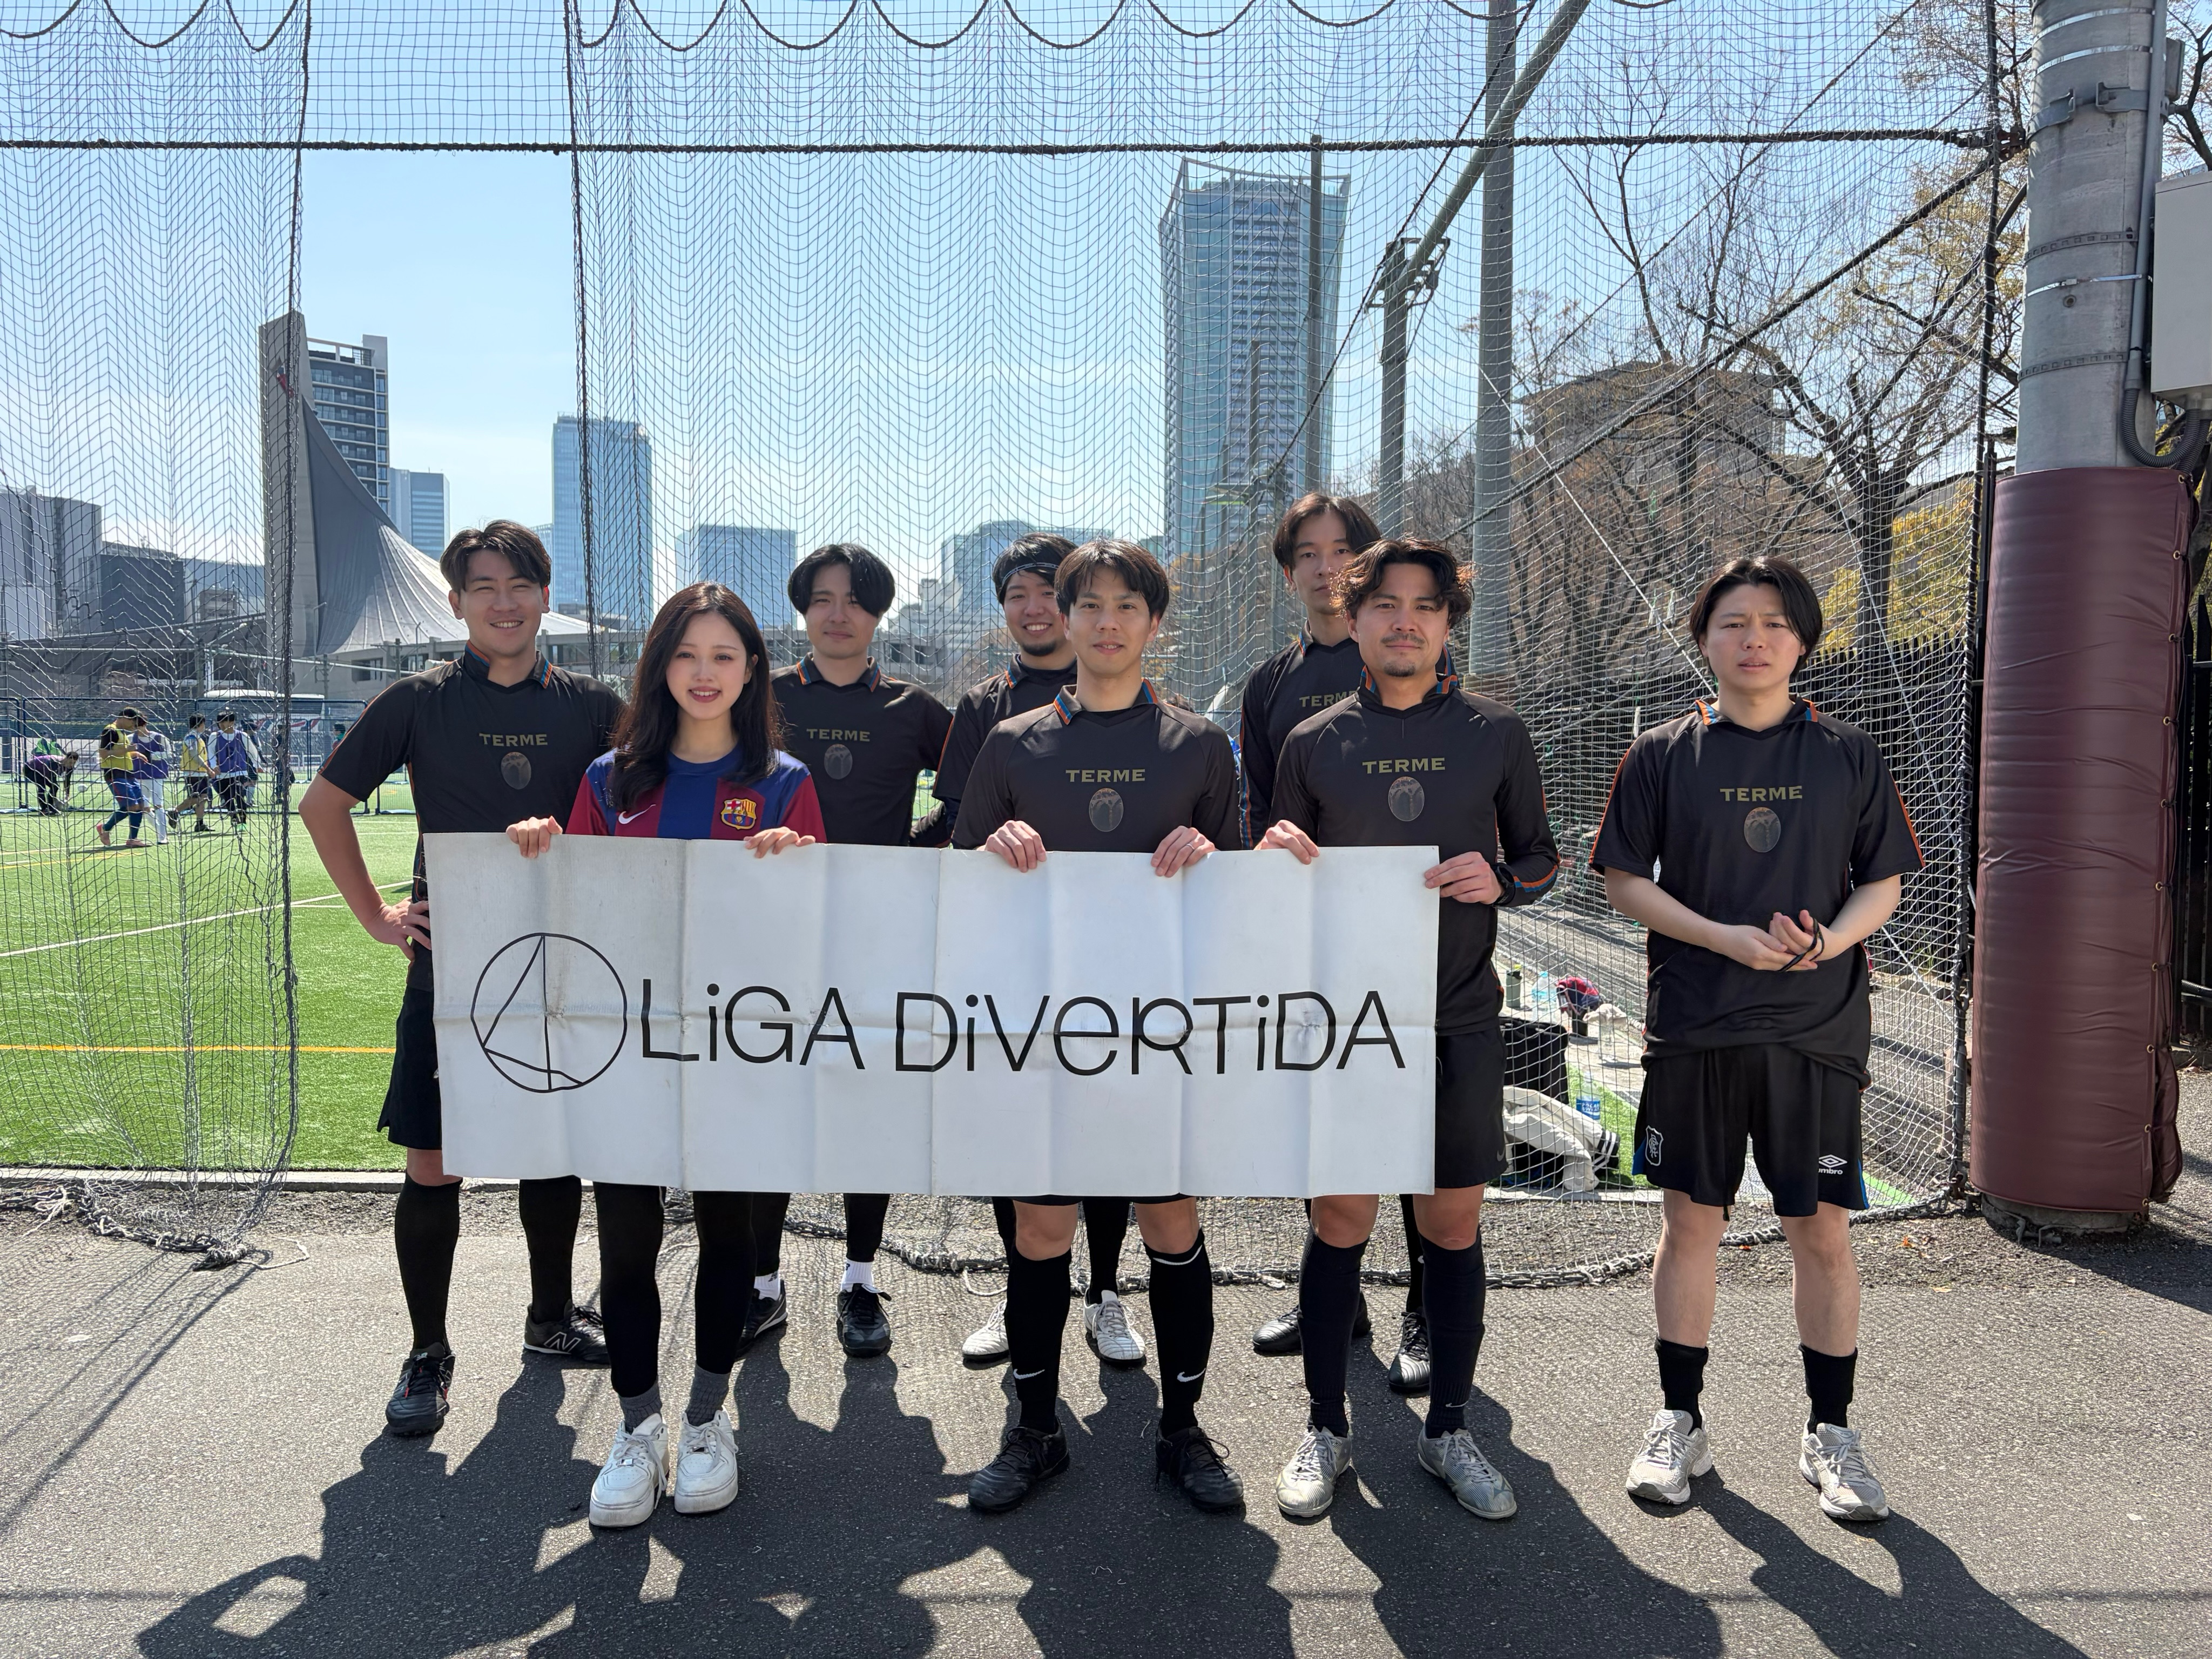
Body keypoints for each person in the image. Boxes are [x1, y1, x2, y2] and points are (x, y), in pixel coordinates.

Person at [1592, 555, 1919, 1523]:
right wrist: (1721, 936)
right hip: (1696, 1025)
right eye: (1734, 621)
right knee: (1691, 1223)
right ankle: (1679, 1419)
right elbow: (1623, 880)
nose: (1754, 638)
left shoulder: (1848, 753)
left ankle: (1831, 1431)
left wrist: (1832, 941)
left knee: (1819, 1229)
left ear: (1803, 640)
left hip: (1815, 1032)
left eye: (1774, 622)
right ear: (1703, 637)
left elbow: (1883, 881)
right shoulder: (1660, 753)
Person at [507, 580, 825, 1528]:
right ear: (659, 668)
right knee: (628, 1241)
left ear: (752, 669)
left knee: (729, 1236)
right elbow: (570, 910)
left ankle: (707, 1419)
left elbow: (820, 927)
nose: (704, 672)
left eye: (724, 655)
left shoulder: (785, 784)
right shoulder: (612, 780)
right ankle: (638, 1427)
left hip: (733, 1049)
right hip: (629, 1050)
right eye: (686, 654)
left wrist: (799, 866)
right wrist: (541, 848)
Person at [299, 522, 626, 1439]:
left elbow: (643, 807)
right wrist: (377, 915)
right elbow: (323, 804)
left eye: (520, 585)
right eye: (484, 587)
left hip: (564, 962)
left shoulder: (596, 706)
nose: (504, 603)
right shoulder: (418, 700)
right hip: (450, 970)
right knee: (434, 1162)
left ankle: (550, 1318)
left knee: (553, 1145)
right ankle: (428, 1352)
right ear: (456, 602)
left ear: (544, 596)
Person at [1257, 537, 1559, 1522]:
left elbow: (1543, 860)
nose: (1404, 621)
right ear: (1353, 618)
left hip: (1456, 1019)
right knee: (1339, 1221)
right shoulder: (1313, 743)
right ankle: (1326, 1427)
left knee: (1452, 1227)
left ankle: (1449, 1429)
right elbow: (1278, 879)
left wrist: (1500, 879)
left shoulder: (1496, 733)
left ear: (1446, 623)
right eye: (1384, 604)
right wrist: (1275, 853)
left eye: (1425, 606)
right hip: (1348, 1026)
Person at [954, 538, 1245, 1515]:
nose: (1107, 622)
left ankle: (1183, 1429)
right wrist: (989, 850)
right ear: (1067, 618)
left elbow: (1240, 893)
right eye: (1090, 605)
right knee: (1042, 1227)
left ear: (1154, 624)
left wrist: (1210, 853)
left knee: (1172, 1221)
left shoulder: (1198, 745)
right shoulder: (1013, 743)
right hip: (1043, 1030)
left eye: (1128, 605)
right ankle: (1035, 1430)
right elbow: (959, 888)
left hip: (1159, 1033)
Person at [933, 534, 1144, 1368]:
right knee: (1016, 1134)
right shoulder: (987, 708)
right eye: (1015, 595)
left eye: (1046, 592)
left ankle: (1106, 1292)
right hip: (1016, 961)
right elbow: (960, 828)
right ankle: (1023, 1285)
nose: (1033, 608)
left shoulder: (1130, 698)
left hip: (1116, 960)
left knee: (1109, 1128)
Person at [1237, 493, 1424, 1390]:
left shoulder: (1413, 660)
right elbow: (1257, 809)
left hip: (1412, 936)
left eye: (1342, 549)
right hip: (1310, 941)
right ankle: (1336, 1300)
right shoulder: (1270, 685)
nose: (1325, 567)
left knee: (1416, 1124)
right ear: (1288, 575)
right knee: (1317, 1118)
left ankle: (1426, 1311)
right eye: (1306, 554)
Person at [754, 543, 952, 1359]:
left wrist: (906, 853)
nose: (839, 615)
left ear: (878, 614)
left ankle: (861, 1279)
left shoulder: (913, 708)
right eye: (823, 600)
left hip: (877, 935)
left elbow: (969, 793)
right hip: (774, 935)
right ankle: (762, 1283)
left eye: (856, 601)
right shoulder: (761, 697)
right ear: (803, 609)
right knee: (774, 1102)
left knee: (869, 1106)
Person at [95, 715, 145, 848]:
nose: (133, 727)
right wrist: (127, 750)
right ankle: (108, 830)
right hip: (115, 774)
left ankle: (130, 838)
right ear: (125, 718)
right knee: (132, 807)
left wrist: (134, 754)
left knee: (140, 805)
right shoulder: (110, 731)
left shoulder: (121, 733)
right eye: (133, 723)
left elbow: (121, 753)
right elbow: (104, 754)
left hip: (129, 774)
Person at [210, 711, 261, 828]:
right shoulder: (214, 736)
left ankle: (243, 821)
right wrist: (213, 766)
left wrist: (258, 765)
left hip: (239, 772)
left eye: (223, 722)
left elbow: (252, 751)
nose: (221, 725)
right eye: (219, 722)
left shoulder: (242, 736)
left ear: (232, 723)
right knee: (227, 798)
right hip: (222, 773)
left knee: (239, 795)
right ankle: (234, 817)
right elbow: (211, 753)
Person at [130, 710, 172, 846]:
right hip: (138, 776)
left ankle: (163, 836)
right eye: (134, 727)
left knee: (158, 805)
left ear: (144, 724)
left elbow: (169, 754)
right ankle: (160, 830)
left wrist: (152, 755)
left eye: (138, 726)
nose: (137, 730)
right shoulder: (131, 738)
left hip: (156, 776)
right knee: (144, 808)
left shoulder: (159, 738)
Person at [176, 716, 215, 832]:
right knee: (196, 798)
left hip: (200, 773)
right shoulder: (191, 737)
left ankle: (200, 823)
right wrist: (208, 768)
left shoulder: (197, 737)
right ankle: (175, 811)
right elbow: (194, 755)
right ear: (201, 724)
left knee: (203, 798)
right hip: (193, 772)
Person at [26, 748, 75, 815]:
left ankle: (51, 807)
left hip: (41, 770)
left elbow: (67, 781)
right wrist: (55, 799)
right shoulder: (54, 762)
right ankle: (44, 809)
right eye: (70, 762)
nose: (71, 765)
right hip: (30, 768)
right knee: (42, 786)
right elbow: (49, 776)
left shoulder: (70, 768)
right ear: (66, 759)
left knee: (55, 787)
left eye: (73, 763)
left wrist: (67, 795)